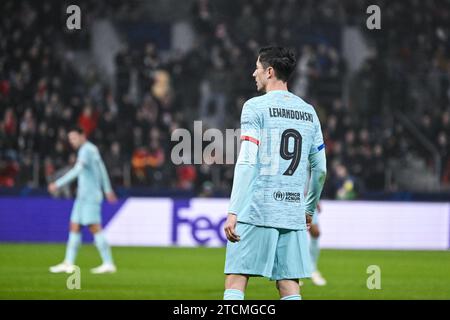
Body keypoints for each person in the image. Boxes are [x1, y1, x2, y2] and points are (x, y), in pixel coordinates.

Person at [223, 46, 327, 300]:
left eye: (257, 68)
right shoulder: (309, 112)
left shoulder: (254, 107)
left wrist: (234, 210)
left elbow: (247, 161)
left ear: (269, 72)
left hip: (257, 208)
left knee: (237, 278)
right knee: (289, 285)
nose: (253, 73)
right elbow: (321, 169)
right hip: (292, 213)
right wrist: (308, 210)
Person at [48, 127, 117, 274]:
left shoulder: (85, 150)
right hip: (82, 197)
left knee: (94, 227)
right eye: (70, 139)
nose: (72, 142)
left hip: (90, 197)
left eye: (74, 138)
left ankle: (108, 263)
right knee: (74, 226)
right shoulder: (92, 149)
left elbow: (77, 170)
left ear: (82, 136)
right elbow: (102, 169)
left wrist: (57, 184)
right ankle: (68, 262)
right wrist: (107, 189)